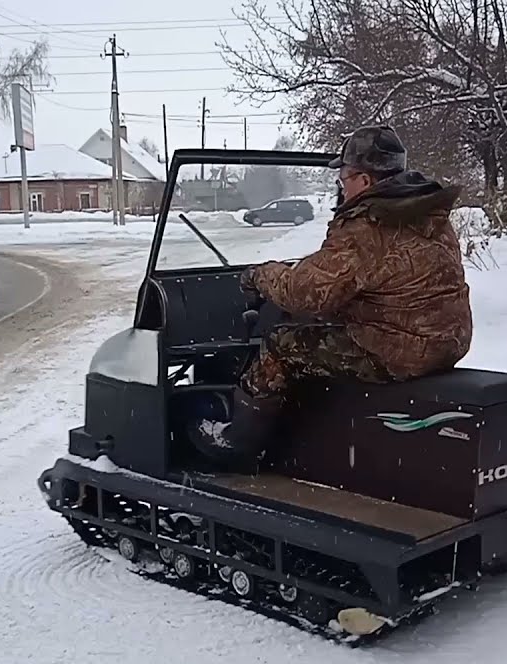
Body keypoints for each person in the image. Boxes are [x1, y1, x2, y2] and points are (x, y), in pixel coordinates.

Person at [191, 125, 473, 467]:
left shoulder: (370, 223)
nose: (341, 185)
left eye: (344, 178)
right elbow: (382, 281)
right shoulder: (427, 212)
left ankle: (238, 442)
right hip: (445, 340)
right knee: (323, 326)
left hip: (398, 349)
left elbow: (303, 293)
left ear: (365, 180)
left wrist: (259, 276)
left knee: (282, 344)